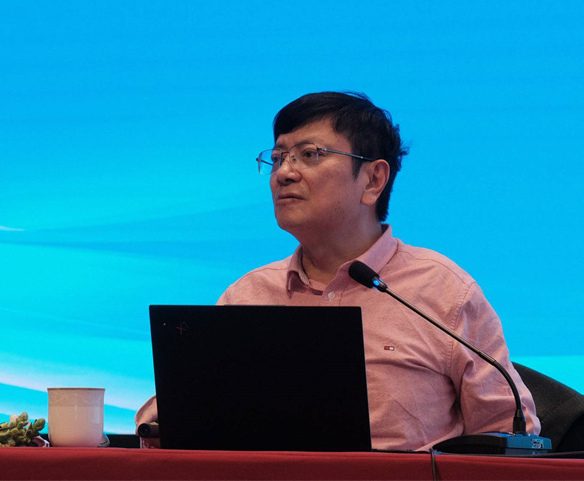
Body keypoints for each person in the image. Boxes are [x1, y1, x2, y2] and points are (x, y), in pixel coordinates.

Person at [137, 91, 539, 451]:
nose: (284, 173)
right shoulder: (247, 295)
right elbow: (179, 417)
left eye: (310, 154)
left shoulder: (443, 291)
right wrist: (163, 419)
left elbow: (509, 439)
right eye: (277, 158)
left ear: (373, 179)